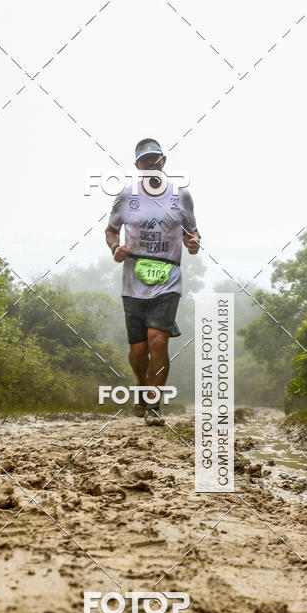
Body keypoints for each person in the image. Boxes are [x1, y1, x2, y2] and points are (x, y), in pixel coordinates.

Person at [105, 138, 200, 424]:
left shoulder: (181, 196)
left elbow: (192, 232)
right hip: (133, 281)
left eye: (155, 159)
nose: (151, 165)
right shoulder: (125, 197)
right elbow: (110, 230)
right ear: (137, 166)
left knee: (157, 341)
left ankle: (155, 405)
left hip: (168, 278)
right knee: (138, 351)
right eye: (145, 161)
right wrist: (115, 248)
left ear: (164, 161)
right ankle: (142, 385)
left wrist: (193, 243)